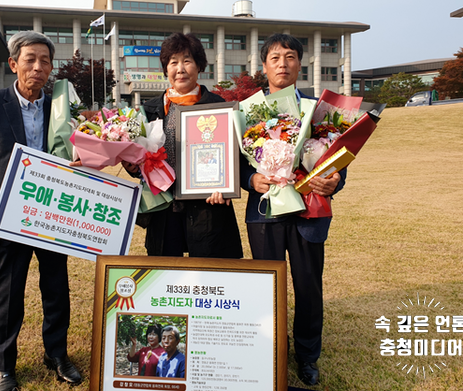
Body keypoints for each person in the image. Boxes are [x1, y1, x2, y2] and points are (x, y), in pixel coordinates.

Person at [0, 31, 82, 391]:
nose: (37, 67)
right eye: (30, 59)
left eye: (45, 61)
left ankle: (56, 354)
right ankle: (4, 367)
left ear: (51, 69)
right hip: (9, 216)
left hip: (52, 215)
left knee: (56, 289)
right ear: (14, 64)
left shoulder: (60, 108)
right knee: (9, 293)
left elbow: (77, 153)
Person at [240, 34, 346, 386]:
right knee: (266, 290)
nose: (282, 63)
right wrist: (250, 179)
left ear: (300, 63)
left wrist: (335, 181)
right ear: (263, 66)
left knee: (308, 288)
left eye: (289, 57)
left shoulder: (319, 109)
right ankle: (269, 351)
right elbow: (239, 163)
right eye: (274, 57)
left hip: (309, 213)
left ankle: (307, 355)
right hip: (264, 214)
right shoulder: (250, 111)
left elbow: (337, 160)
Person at [123, 32, 243, 258]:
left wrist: (227, 184)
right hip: (164, 209)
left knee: (208, 275)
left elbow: (235, 156)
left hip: (208, 208)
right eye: (173, 62)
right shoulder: (149, 111)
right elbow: (141, 159)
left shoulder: (220, 108)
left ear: (199, 66)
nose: (180, 69)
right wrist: (134, 167)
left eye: (187, 61)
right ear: (166, 69)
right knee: (167, 276)